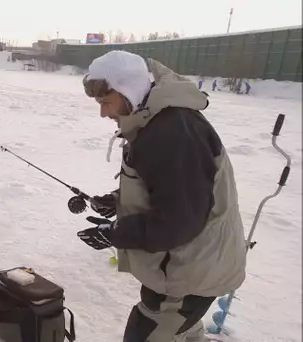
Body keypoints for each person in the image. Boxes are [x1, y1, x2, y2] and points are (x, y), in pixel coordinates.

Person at [76, 50, 247, 342]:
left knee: (149, 330)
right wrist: (119, 200)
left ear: (128, 92)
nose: (103, 112)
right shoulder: (154, 119)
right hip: (190, 264)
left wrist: (115, 233)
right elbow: (169, 187)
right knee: (178, 327)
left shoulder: (171, 132)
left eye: (105, 102)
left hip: (190, 271)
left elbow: (178, 222)